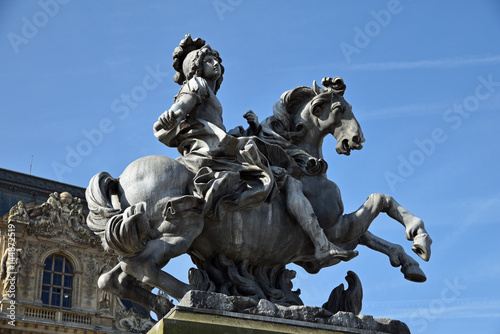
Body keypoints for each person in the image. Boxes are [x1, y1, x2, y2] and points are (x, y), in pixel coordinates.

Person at [154, 34, 356, 264]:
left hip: (213, 147)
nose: (216, 64)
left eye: (217, 60)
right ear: (198, 67)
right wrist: (175, 113)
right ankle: (321, 244)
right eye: (209, 61)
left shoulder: (207, 92)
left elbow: (215, 128)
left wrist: (253, 128)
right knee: (287, 180)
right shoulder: (197, 84)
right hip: (211, 151)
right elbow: (182, 105)